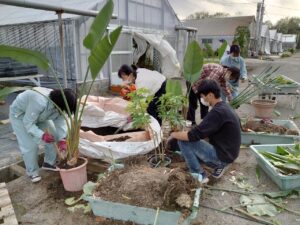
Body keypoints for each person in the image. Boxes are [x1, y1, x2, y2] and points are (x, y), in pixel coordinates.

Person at [169, 79, 241, 183]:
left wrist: (173, 134)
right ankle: (218, 165)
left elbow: (193, 136)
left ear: (210, 95)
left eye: (202, 96)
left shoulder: (217, 112)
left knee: (183, 141)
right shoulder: (225, 107)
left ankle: (199, 176)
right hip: (230, 153)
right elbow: (203, 131)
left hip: (223, 157)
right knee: (188, 148)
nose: (202, 99)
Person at [9, 88, 77, 183]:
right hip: (20, 116)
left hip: (41, 116)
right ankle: (32, 172)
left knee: (55, 135)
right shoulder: (39, 101)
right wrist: (42, 135)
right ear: (59, 104)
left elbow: (60, 121)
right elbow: (28, 123)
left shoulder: (60, 103)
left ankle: (49, 163)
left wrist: (62, 139)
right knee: (30, 146)